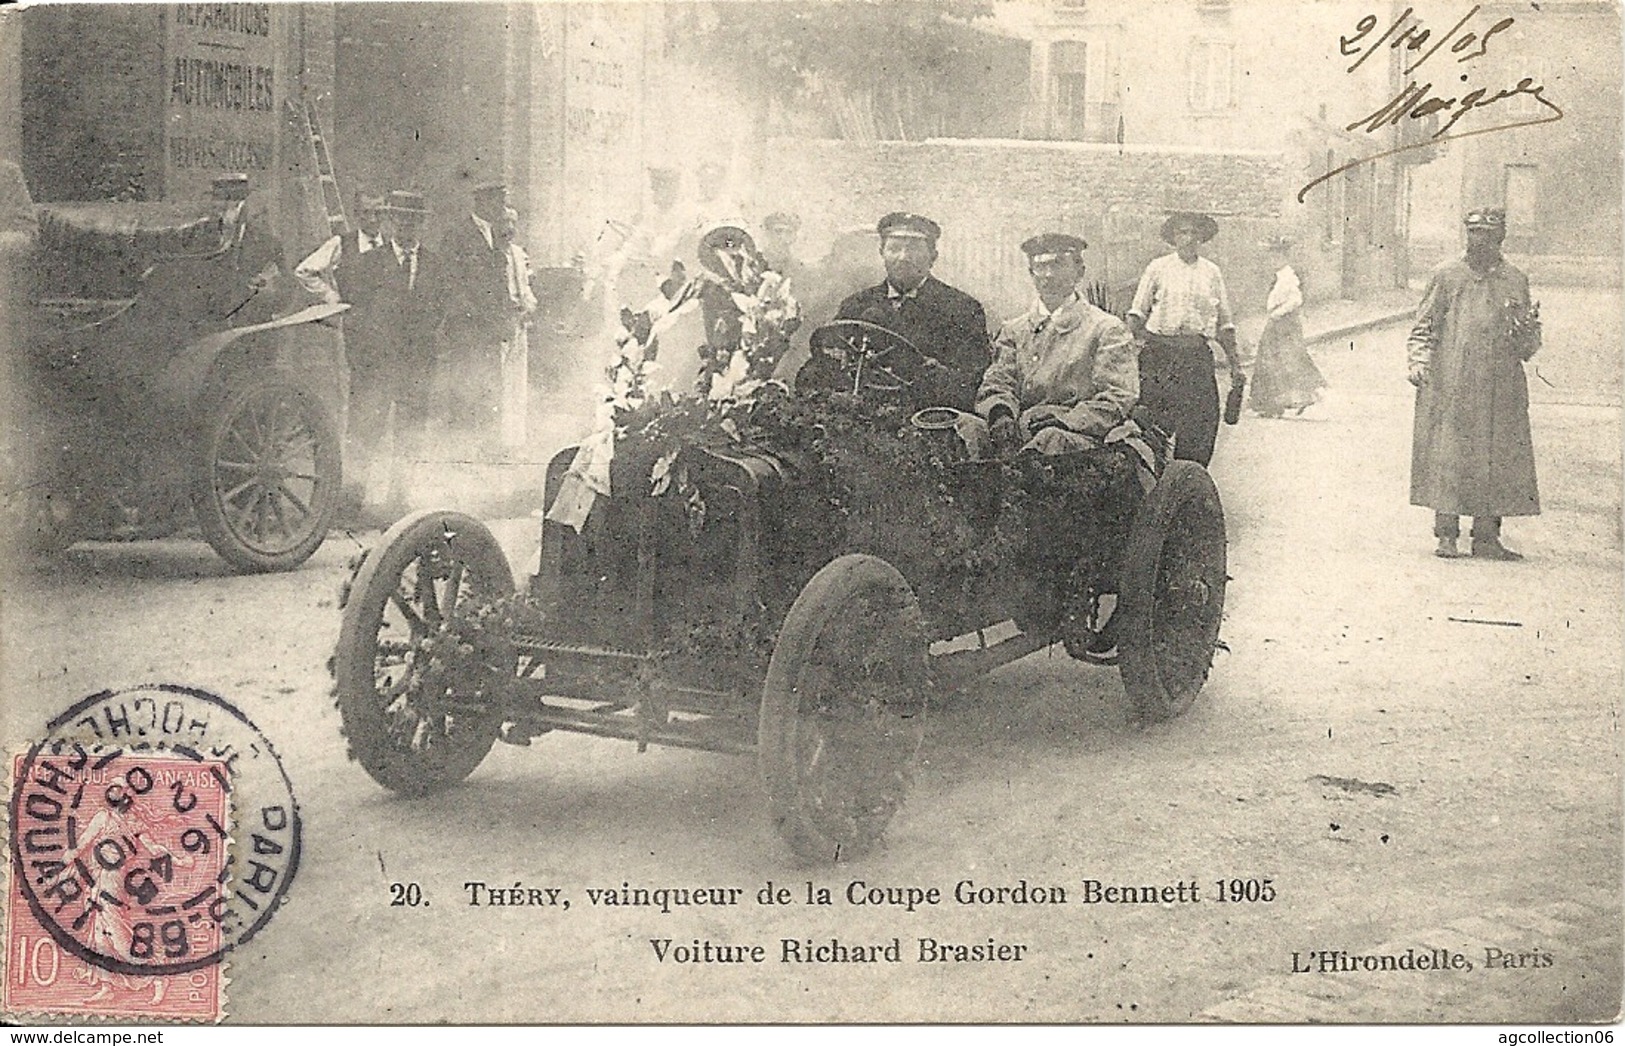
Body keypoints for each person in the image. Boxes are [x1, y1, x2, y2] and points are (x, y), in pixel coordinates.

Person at [1408, 208, 1541, 560]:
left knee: (1498, 457)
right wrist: (1418, 363)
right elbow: (1423, 327)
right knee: (1449, 454)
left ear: (1500, 239)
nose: (1477, 241)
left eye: (1486, 234)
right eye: (1472, 233)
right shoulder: (1446, 275)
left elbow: (1527, 345)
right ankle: (1447, 534)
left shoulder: (1515, 279)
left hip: (1502, 386)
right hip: (1453, 382)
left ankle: (1486, 537)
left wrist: (1528, 335)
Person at [798, 211, 990, 412]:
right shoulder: (856, 305)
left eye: (914, 249)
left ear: (933, 257)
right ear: (882, 252)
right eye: (894, 248)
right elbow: (825, 362)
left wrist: (932, 373)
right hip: (862, 414)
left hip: (925, 417)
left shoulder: (961, 308)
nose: (903, 257)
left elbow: (973, 381)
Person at [976, 233, 1139, 457]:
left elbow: (1117, 396)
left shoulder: (1105, 328)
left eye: (1058, 264)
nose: (1049, 275)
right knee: (965, 429)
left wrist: (1066, 420)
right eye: (1040, 267)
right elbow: (998, 381)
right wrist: (1001, 413)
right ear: (1031, 274)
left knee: (1050, 441)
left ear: (1079, 271)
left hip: (1078, 435)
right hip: (1019, 427)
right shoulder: (1015, 329)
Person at [1126, 211, 1242, 466]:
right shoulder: (1158, 268)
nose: (1188, 238)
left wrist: (1235, 366)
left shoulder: (1211, 272)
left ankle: (1187, 485)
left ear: (1202, 237)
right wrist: (1126, 358)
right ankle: (1153, 484)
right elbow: (1137, 314)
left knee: (1201, 426)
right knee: (1151, 425)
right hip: (1159, 355)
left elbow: (1225, 323)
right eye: (1182, 232)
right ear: (1173, 237)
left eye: (1194, 233)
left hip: (1195, 357)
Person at [435, 181, 524, 437]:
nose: (502, 208)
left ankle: (486, 446)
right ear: (482, 203)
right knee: (464, 390)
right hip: (467, 329)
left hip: (490, 331)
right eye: (498, 202)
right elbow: (450, 284)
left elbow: (500, 283)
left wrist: (505, 317)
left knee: (489, 389)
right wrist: (477, 317)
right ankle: (461, 447)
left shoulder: (496, 235)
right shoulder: (457, 234)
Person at [1248, 236, 1326, 417]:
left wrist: (1278, 313)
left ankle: (1297, 397)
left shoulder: (1288, 276)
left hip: (1285, 324)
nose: (1273, 261)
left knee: (1285, 359)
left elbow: (1296, 300)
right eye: (1271, 257)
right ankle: (1273, 404)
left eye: (1276, 257)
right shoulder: (1280, 276)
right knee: (1272, 360)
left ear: (1284, 257)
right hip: (1278, 323)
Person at [294, 189, 388, 304]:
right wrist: (329, 295)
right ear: (356, 213)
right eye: (366, 212)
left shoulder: (391, 244)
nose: (373, 219)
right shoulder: (341, 243)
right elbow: (303, 271)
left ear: (385, 214)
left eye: (378, 213)